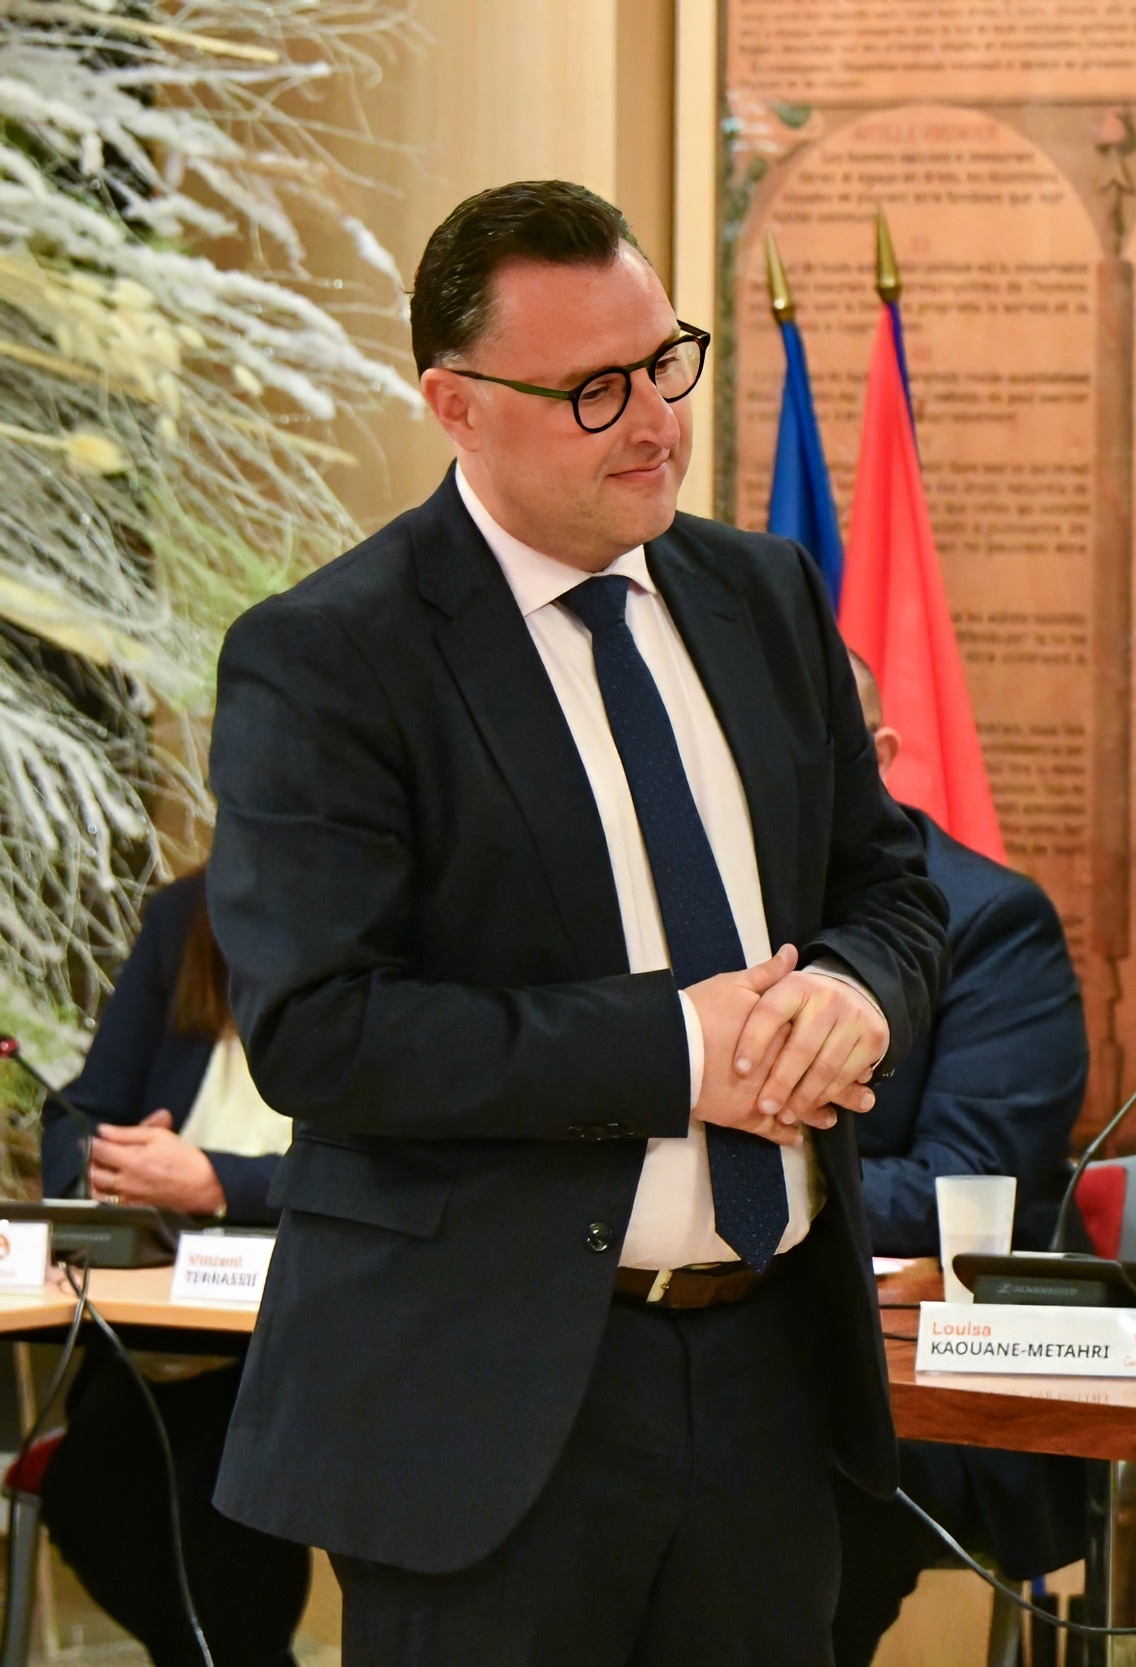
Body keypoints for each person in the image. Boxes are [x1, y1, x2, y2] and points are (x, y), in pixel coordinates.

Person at [204, 179, 949, 1665]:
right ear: (456, 404)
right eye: (595, 390)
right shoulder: (332, 654)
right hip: (485, 1403)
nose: (656, 421)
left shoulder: (764, 591)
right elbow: (321, 1028)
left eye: (666, 361)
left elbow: (892, 886)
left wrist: (860, 991)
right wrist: (681, 1051)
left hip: (771, 1372)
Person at [828, 650, 1093, 1667]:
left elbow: (964, 1192)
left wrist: (718, 1187)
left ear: (880, 755)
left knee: (763, 1481)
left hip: (934, 1386)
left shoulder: (987, 919)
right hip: (708, 1348)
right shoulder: (692, 909)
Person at [36, 870, 307, 1666]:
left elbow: (394, 1166)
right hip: (165, 1314)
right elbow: (81, 1113)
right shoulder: (185, 915)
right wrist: (106, 1165)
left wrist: (218, 1180)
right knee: (90, 1494)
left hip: (297, 1318)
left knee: (217, 1508)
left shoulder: (384, 910)